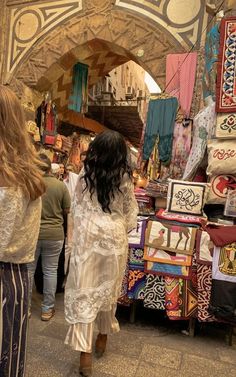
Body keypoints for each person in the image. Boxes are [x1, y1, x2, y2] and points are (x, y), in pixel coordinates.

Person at [64, 130, 138, 377]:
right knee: (107, 291)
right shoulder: (125, 177)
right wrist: (119, 228)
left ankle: (85, 356)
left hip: (89, 237)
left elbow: (76, 206)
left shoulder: (87, 173)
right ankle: (103, 336)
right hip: (114, 238)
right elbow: (130, 214)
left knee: (85, 292)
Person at [0, 85, 45, 376]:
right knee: (11, 356)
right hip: (16, 277)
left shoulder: (7, 174)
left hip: (4, 273)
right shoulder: (27, 169)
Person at [28, 154, 71, 321]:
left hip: (33, 233)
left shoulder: (31, 184)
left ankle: (26, 309)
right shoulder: (60, 186)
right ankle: (47, 309)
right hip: (55, 234)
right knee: (50, 271)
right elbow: (67, 209)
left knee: (29, 271)